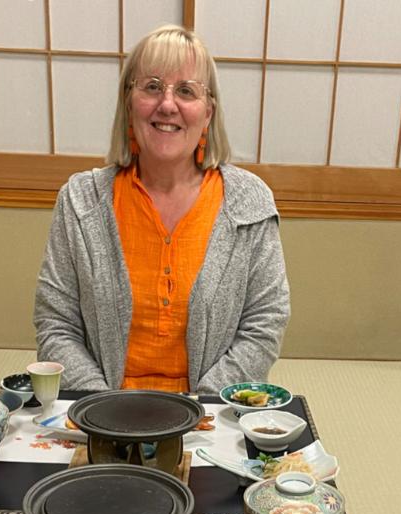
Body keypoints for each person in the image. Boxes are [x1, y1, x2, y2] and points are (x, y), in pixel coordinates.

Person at [34, 24, 290, 394]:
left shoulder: (249, 202)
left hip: (211, 417)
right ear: (129, 102)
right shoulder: (80, 200)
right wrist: (104, 407)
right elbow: (56, 323)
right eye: (152, 86)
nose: (167, 104)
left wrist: (196, 410)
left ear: (208, 113)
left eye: (186, 91)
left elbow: (265, 323)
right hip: (98, 414)